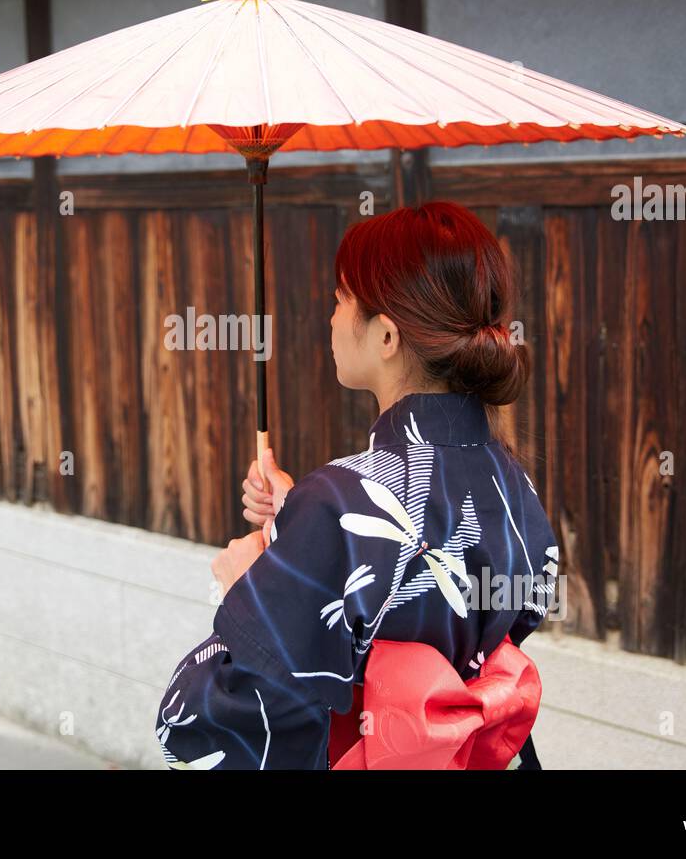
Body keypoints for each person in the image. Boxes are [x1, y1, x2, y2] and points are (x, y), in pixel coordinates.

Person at [155, 200, 559, 770]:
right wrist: (297, 520)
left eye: (342, 299)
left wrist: (247, 588)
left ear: (387, 334)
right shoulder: (514, 484)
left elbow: (212, 729)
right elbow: (427, 573)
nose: (332, 317)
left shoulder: (341, 498)